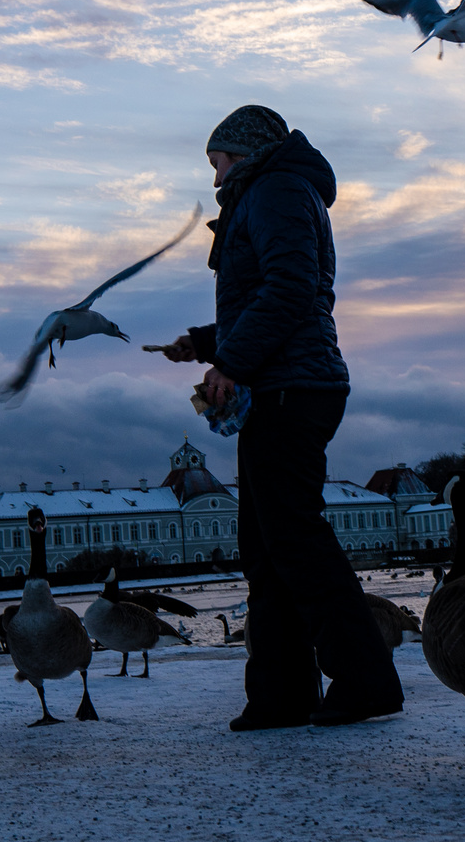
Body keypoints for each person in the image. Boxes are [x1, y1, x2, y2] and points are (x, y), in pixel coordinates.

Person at [161, 104, 404, 730]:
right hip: (284, 384)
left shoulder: (275, 189)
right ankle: (283, 693)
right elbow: (277, 294)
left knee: (292, 539)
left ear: (245, 153)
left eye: (219, 162)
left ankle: (365, 682)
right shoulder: (268, 192)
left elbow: (292, 290)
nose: (215, 179)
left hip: (294, 388)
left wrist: (231, 363)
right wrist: (206, 341)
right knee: (267, 547)